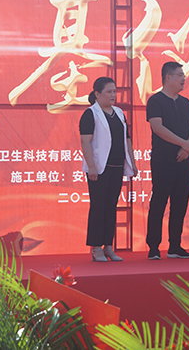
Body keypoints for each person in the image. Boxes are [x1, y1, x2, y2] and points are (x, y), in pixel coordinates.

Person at [80, 77, 137, 262]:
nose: (113, 95)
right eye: (108, 92)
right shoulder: (91, 113)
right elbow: (85, 142)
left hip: (117, 166)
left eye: (114, 91)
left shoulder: (119, 113)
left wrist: (132, 163)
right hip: (99, 168)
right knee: (98, 206)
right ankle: (96, 247)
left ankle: (108, 246)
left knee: (111, 206)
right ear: (97, 94)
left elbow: (127, 139)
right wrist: (91, 166)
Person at [145, 62, 189, 260]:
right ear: (168, 77)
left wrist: (188, 146)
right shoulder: (155, 101)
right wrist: (184, 143)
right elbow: (157, 128)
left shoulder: (186, 103)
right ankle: (153, 247)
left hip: (184, 160)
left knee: (180, 203)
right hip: (163, 160)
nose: (184, 79)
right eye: (180, 75)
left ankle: (175, 245)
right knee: (159, 202)